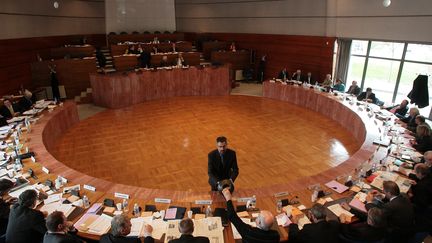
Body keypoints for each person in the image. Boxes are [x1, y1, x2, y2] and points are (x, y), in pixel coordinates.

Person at [409, 164, 432, 233]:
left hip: (421, 211)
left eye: (415, 172)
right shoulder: (429, 177)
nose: (415, 174)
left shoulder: (421, 186)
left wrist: (411, 196)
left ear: (419, 173)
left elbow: (420, 203)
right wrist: (416, 185)